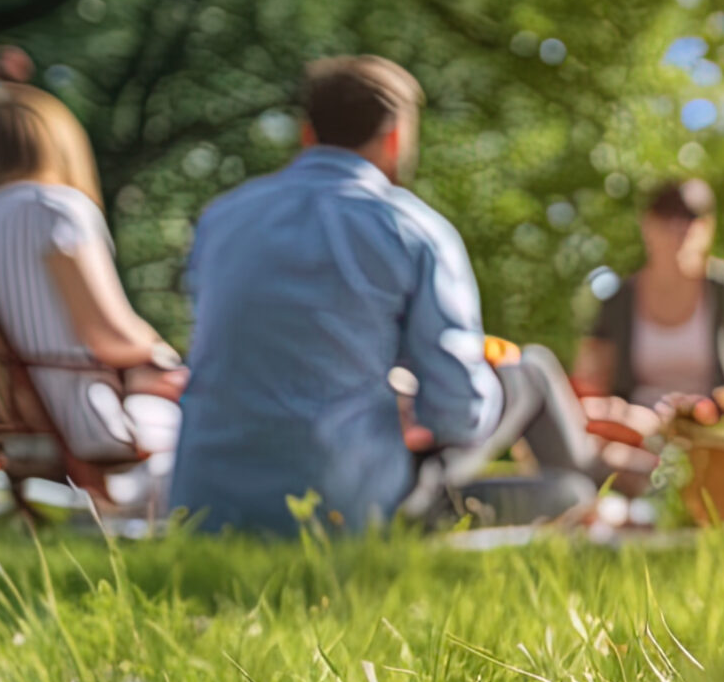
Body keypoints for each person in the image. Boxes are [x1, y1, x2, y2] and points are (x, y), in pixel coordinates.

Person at [169, 56, 603, 535]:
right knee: (533, 384)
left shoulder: (222, 218)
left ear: (307, 134)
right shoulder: (413, 231)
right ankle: (592, 505)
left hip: (206, 506)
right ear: (394, 138)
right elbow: (460, 414)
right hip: (342, 509)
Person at [0, 79, 184, 492]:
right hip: (80, 418)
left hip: (14, 426)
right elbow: (112, 337)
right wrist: (161, 357)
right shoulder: (54, 208)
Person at [574, 178, 724, 411]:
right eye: (667, 216)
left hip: (717, 428)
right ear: (646, 223)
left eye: (690, 217)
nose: (679, 228)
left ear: (708, 226)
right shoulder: (618, 298)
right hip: (639, 427)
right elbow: (590, 378)